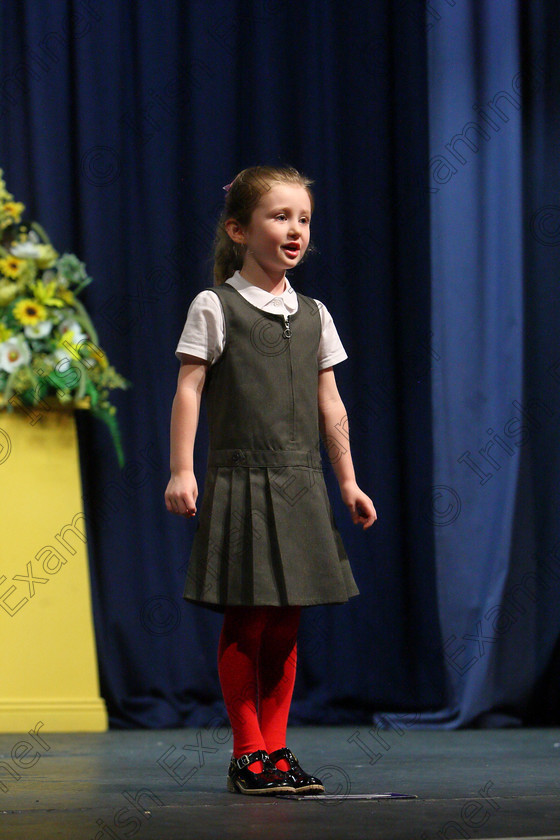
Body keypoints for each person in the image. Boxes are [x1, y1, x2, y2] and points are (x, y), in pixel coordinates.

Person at [165, 165, 377, 796]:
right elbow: (189, 387)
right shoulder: (216, 304)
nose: (295, 230)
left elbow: (329, 402)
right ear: (239, 229)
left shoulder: (314, 313)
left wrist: (348, 481)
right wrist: (182, 469)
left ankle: (277, 750)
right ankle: (247, 752)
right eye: (279, 216)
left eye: (303, 219)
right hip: (242, 478)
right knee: (249, 618)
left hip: (301, 481)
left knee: (287, 621)